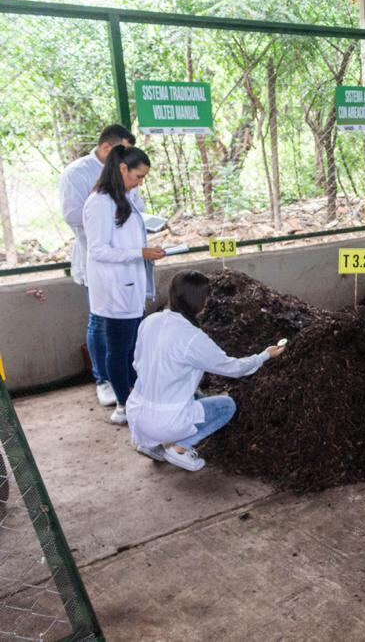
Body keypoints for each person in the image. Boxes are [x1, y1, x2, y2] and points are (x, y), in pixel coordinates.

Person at [127, 271, 285, 472]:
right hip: (165, 421)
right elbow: (233, 368)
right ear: (198, 302)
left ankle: (150, 444)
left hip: (137, 414)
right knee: (226, 406)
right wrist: (264, 356)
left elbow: (138, 363)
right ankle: (179, 448)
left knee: (196, 394)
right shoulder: (192, 338)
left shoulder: (150, 321)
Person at [83, 146, 165, 425]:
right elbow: (98, 250)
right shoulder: (99, 203)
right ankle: (123, 405)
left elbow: (126, 238)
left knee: (130, 349)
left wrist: (144, 251)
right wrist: (139, 252)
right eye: (138, 176)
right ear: (122, 169)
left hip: (129, 284)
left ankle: (135, 397)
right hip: (114, 289)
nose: (139, 183)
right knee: (118, 350)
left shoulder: (122, 198)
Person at [59, 124, 139, 407]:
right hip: (97, 260)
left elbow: (136, 206)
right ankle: (103, 379)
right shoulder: (77, 174)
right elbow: (72, 215)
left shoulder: (126, 171)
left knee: (127, 323)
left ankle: (127, 379)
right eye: (123, 152)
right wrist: (111, 214)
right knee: (100, 320)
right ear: (107, 148)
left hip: (127, 259)